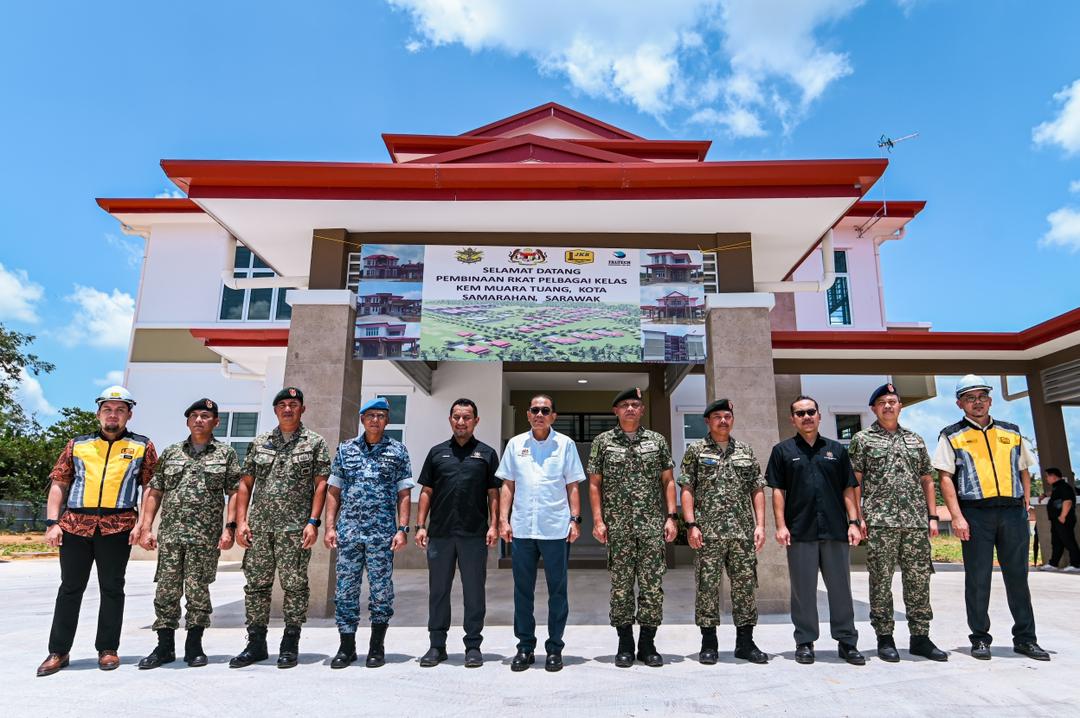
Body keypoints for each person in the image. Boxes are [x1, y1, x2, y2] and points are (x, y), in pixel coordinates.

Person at [37, 386, 158, 677]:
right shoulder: (77, 445)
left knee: (112, 588)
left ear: (129, 415)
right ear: (98, 414)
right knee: (70, 588)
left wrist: (143, 525)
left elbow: (150, 487)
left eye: (120, 410)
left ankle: (107, 649)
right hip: (75, 526)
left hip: (118, 527)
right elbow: (59, 483)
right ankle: (58, 651)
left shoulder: (142, 446)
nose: (113, 415)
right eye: (107, 409)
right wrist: (52, 523)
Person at [934, 375, 1049, 661]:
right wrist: (957, 517)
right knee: (978, 578)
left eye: (982, 396)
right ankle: (980, 639)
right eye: (970, 398)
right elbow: (945, 478)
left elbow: (1024, 470)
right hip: (975, 514)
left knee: (1018, 578)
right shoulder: (951, 435)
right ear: (960, 404)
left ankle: (1026, 639)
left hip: (1012, 512)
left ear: (990, 400)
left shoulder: (1012, 432)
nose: (977, 402)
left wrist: (1024, 504)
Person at [136, 398, 242, 669]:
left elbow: (234, 492)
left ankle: (194, 645)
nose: (198, 420)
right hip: (171, 535)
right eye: (194, 416)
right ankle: (164, 646)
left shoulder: (226, 454)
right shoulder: (172, 452)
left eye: (205, 416)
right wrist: (146, 527)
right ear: (187, 421)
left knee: (198, 590)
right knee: (166, 590)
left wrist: (229, 528)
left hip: (204, 538)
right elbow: (155, 491)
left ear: (216, 422)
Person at [230, 387, 330, 669]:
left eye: (294, 404)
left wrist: (313, 522)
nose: (288, 409)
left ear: (302, 409)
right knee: (256, 586)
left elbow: (321, 483)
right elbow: (245, 483)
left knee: (295, 586)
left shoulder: (314, 442)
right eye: (283, 404)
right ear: (275, 410)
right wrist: (242, 521)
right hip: (260, 529)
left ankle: (290, 643)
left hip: (295, 529)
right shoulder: (260, 442)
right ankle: (256, 643)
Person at [848, 383, 947, 663]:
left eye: (892, 401)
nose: (888, 406)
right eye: (882, 402)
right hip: (880, 522)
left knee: (918, 579)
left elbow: (927, 479)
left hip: (915, 522)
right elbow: (855, 481)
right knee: (880, 580)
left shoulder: (915, 439)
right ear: (873, 409)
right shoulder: (863, 440)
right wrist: (858, 517)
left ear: (900, 406)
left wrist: (932, 516)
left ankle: (920, 637)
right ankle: (885, 637)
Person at [766, 395, 864, 666]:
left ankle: (847, 642)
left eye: (811, 412)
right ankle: (805, 642)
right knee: (803, 591)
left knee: (841, 589)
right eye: (800, 413)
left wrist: (854, 522)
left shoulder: (836, 450)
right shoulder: (782, 451)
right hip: (800, 531)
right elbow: (778, 491)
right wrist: (781, 525)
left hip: (835, 530)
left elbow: (848, 488)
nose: (806, 417)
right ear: (792, 419)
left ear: (819, 415)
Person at [587, 387, 677, 668]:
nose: (630, 409)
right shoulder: (603, 442)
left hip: (651, 526)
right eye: (624, 404)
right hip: (618, 528)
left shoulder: (656, 441)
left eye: (635, 404)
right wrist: (599, 520)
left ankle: (647, 644)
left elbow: (668, 480)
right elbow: (594, 484)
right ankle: (624, 643)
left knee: (652, 586)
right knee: (621, 587)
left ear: (642, 410)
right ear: (615, 410)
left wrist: (671, 516)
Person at [497, 394, 586, 673]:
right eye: (535, 410)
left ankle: (555, 648)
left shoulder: (565, 445)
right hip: (523, 528)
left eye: (545, 410)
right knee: (522, 591)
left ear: (553, 416)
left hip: (555, 528)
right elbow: (508, 485)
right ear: (527, 414)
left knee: (557, 591)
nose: (539, 414)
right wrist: (503, 520)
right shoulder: (515, 444)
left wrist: (574, 520)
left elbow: (573, 485)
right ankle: (525, 647)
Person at [325, 397, 414, 669]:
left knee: (381, 591)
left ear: (387, 421)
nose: (376, 420)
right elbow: (334, 490)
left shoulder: (398, 451)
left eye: (381, 416)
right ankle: (346, 647)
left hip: (382, 535)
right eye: (371, 415)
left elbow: (404, 493)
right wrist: (329, 526)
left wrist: (402, 529)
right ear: (362, 419)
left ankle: (377, 647)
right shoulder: (345, 450)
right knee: (345, 591)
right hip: (349, 533)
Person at [678, 399, 768, 665]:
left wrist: (760, 525)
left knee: (745, 587)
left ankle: (745, 643)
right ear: (708, 421)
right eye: (717, 416)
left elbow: (757, 488)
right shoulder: (696, 450)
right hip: (708, 533)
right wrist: (691, 524)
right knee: (707, 587)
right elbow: (687, 488)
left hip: (742, 532)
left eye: (727, 416)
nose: (723, 421)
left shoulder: (745, 450)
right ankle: (709, 643)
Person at [414, 398, 500, 668]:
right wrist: (420, 525)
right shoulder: (436, 453)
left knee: (474, 592)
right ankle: (437, 645)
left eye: (467, 417)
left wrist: (494, 525)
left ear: (476, 421)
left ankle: (473, 646)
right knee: (438, 591)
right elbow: (426, 491)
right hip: (440, 534)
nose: (461, 422)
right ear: (450, 419)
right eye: (457, 417)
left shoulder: (487, 454)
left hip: (474, 535)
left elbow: (493, 493)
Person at [1040, 467, 1080, 572]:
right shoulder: (1057, 487)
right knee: (1057, 542)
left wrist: (1062, 516)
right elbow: (1055, 494)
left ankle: (1076, 564)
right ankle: (1053, 563)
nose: (1046, 478)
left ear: (1053, 476)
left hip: (1063, 519)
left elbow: (1068, 501)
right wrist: (1044, 495)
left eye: (1047, 476)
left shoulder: (1064, 487)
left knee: (1069, 541)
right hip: (1057, 519)